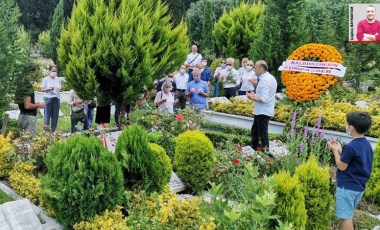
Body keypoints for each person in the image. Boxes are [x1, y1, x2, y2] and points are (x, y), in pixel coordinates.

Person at [327, 112, 373, 230]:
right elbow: (355, 160)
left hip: (347, 188)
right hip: (358, 187)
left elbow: (342, 166)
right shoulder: (366, 144)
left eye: (348, 124)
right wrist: (340, 149)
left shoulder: (351, 146)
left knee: (345, 218)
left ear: (351, 127)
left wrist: (335, 151)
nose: (347, 126)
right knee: (348, 214)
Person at [246, 60, 277, 151]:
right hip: (262, 110)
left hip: (263, 111)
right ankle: (254, 149)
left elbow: (264, 99)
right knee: (255, 131)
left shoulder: (265, 80)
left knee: (262, 133)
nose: (254, 69)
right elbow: (264, 95)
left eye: (255, 67)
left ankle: (265, 152)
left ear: (261, 69)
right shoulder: (269, 77)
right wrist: (254, 95)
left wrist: (252, 98)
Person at [41, 65, 63, 133]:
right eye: (53, 71)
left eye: (55, 71)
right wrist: (49, 89)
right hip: (48, 98)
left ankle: (53, 130)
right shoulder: (45, 79)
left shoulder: (58, 79)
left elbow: (59, 88)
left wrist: (61, 89)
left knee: (55, 115)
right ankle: (46, 131)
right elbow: (42, 89)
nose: (54, 72)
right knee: (47, 115)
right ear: (49, 71)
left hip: (56, 98)